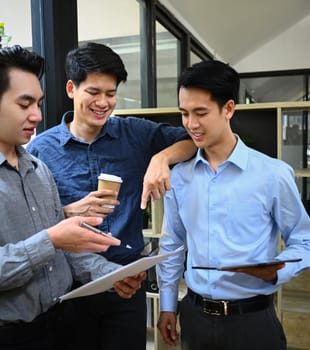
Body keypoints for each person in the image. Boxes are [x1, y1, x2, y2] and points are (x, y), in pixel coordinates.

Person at [0, 45, 145, 350]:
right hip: (1, 341)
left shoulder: (37, 168)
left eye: (38, 103)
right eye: (24, 104)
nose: (37, 115)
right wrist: (49, 240)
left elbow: (62, 253)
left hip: (59, 328)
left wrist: (111, 274)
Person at [27, 42, 196, 350]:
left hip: (126, 286)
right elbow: (31, 219)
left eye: (111, 93)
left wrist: (161, 158)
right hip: (71, 288)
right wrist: (67, 212)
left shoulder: (135, 133)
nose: (103, 102)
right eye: (94, 92)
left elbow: (192, 140)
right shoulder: (40, 149)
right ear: (71, 88)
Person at [156, 60, 310, 350]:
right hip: (194, 318)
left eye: (201, 113)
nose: (191, 124)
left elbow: (305, 241)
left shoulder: (272, 174)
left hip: (253, 323)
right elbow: (173, 244)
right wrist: (167, 304)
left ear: (228, 109)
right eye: (184, 113)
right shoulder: (179, 177)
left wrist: (278, 269)